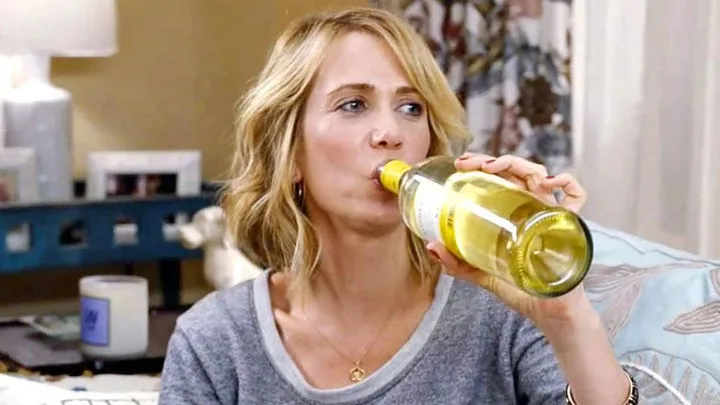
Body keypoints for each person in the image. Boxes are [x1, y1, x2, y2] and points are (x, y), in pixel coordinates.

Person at [159, 7, 638, 405]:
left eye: (411, 108)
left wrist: (566, 316)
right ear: (291, 153)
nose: (391, 133)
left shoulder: (502, 316)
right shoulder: (215, 343)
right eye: (353, 104)